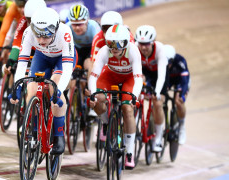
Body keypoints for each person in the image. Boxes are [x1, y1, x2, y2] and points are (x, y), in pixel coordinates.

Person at [9, 7, 76, 155]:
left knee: (54, 87)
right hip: (42, 57)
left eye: (46, 36)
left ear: (55, 29)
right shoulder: (28, 33)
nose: (41, 40)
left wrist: (58, 91)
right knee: (31, 91)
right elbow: (22, 63)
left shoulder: (65, 33)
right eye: (38, 35)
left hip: (61, 60)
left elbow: (65, 70)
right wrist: (17, 87)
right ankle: (34, 129)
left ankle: (59, 136)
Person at [89, 24, 143, 169]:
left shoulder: (133, 51)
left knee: (127, 109)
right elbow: (93, 77)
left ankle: (129, 152)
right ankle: (106, 122)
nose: (114, 48)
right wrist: (94, 96)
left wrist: (134, 97)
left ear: (126, 43)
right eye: (110, 43)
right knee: (98, 99)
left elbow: (138, 78)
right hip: (110, 75)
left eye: (118, 44)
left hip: (129, 79)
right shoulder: (104, 51)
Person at [135, 25, 168, 152]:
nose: (143, 47)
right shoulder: (136, 49)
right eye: (141, 43)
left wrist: (157, 92)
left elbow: (162, 75)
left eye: (147, 44)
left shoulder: (160, 49)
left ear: (153, 42)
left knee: (157, 103)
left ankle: (158, 138)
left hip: (159, 76)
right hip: (145, 74)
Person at [2, 0, 46, 88]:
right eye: (28, 18)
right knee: (16, 68)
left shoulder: (50, 22)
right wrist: (12, 59)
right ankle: (13, 90)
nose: (30, 22)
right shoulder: (23, 21)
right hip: (29, 48)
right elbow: (18, 41)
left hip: (45, 50)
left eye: (32, 18)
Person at [164, 44, 190, 145]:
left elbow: (185, 81)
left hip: (180, 81)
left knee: (178, 101)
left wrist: (182, 94)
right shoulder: (161, 60)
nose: (167, 65)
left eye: (169, 63)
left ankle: (182, 126)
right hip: (169, 80)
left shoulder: (180, 61)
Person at [67, 4, 101, 72]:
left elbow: (99, 48)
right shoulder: (67, 27)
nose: (77, 27)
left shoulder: (94, 27)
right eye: (74, 24)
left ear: (87, 21)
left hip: (91, 49)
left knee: (88, 66)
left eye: (80, 24)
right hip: (77, 50)